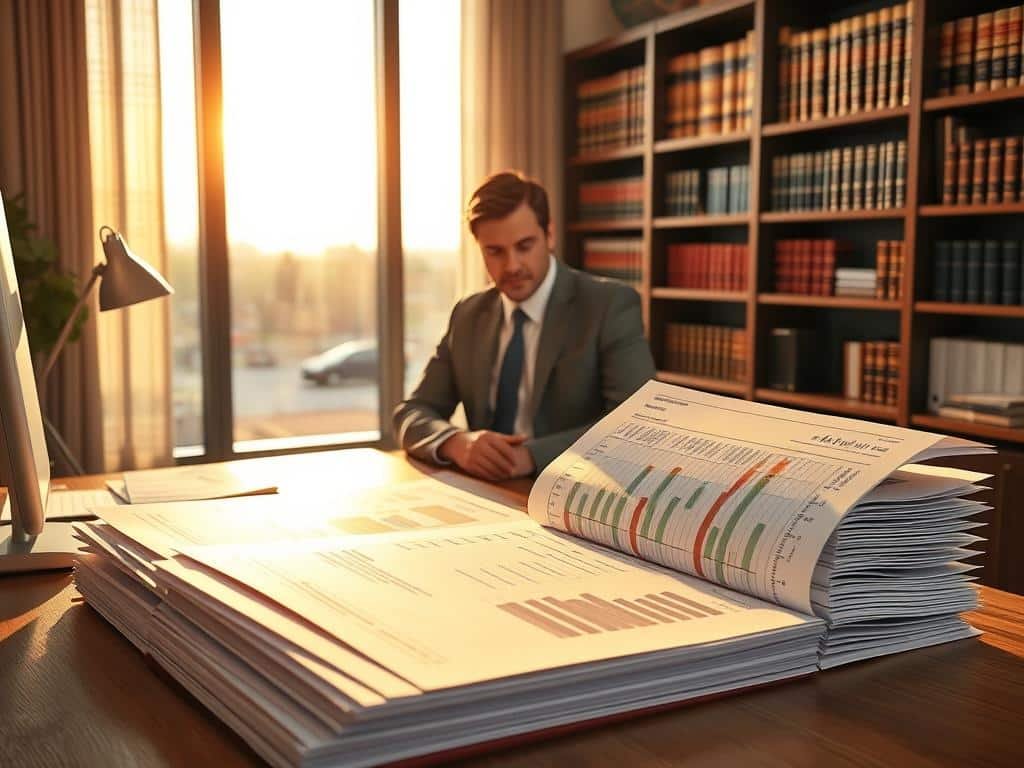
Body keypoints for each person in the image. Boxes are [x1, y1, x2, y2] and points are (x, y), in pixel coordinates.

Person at [393, 170, 655, 480]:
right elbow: (411, 413)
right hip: (486, 491)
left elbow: (637, 425)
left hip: (574, 487)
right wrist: (457, 443)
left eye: (524, 246)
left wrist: (530, 456)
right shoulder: (468, 314)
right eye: (495, 252)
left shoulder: (608, 305)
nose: (512, 266)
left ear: (550, 235)